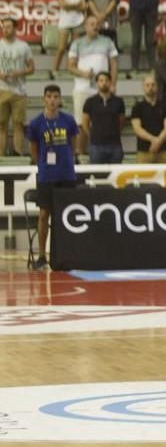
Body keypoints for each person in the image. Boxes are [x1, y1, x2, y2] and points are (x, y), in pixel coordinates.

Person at [28, 86, 79, 271]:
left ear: (60, 100)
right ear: (43, 99)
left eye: (55, 96)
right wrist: (43, 165)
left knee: (66, 216)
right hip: (46, 175)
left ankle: (66, 255)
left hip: (66, 174)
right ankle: (42, 256)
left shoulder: (69, 121)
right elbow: (34, 151)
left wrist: (65, 161)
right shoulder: (35, 124)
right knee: (44, 215)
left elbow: (73, 146)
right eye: (48, 96)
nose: (52, 100)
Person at [68, 16, 119, 154]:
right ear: (85, 26)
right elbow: (70, 67)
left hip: (101, 90)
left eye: (97, 24)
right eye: (91, 24)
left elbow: (114, 64)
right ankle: (80, 153)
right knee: (80, 123)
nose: (95, 26)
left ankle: (99, 151)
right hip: (82, 88)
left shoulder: (107, 42)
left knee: (102, 122)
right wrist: (83, 73)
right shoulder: (77, 43)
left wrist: (113, 84)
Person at [0, 19, 33, 157]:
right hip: (1, 89)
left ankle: (18, 154)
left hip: (19, 91)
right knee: (1, 125)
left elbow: (31, 68)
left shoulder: (23, 46)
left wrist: (19, 72)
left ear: (15, 28)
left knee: (18, 124)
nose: (5, 29)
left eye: (8, 27)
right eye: (4, 27)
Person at [81, 72, 125, 164]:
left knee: (115, 175)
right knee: (96, 175)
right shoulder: (90, 102)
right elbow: (85, 123)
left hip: (115, 145)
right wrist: (92, 135)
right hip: (96, 145)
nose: (104, 83)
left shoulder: (118, 101)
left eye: (106, 80)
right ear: (97, 83)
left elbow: (121, 122)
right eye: (101, 80)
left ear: (110, 82)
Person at [130, 76, 166, 163]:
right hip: (143, 152)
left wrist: (158, 142)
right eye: (147, 85)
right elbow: (137, 129)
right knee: (143, 176)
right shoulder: (137, 107)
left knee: (165, 176)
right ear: (143, 87)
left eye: (153, 85)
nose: (150, 87)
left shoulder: (165, 106)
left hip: (163, 151)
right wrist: (153, 140)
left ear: (157, 87)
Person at [53, 0, 87, 73]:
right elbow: (63, 5)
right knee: (62, 47)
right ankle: (55, 69)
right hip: (65, 22)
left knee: (75, 49)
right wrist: (76, 5)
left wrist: (71, 6)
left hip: (78, 22)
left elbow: (84, 7)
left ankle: (72, 68)